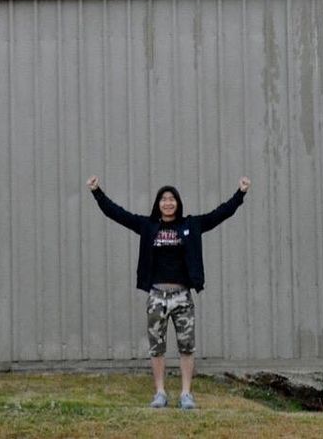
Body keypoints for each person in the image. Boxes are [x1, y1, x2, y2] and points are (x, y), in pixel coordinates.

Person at [87, 174, 250, 409]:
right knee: (157, 346)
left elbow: (220, 214)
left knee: (187, 346)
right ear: (158, 204)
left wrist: (240, 193)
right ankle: (160, 393)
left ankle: (186, 394)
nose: (168, 202)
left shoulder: (191, 225)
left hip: (182, 296)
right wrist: (97, 191)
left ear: (178, 203)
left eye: (172, 198)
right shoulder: (147, 226)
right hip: (157, 296)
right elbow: (117, 213)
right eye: (163, 199)